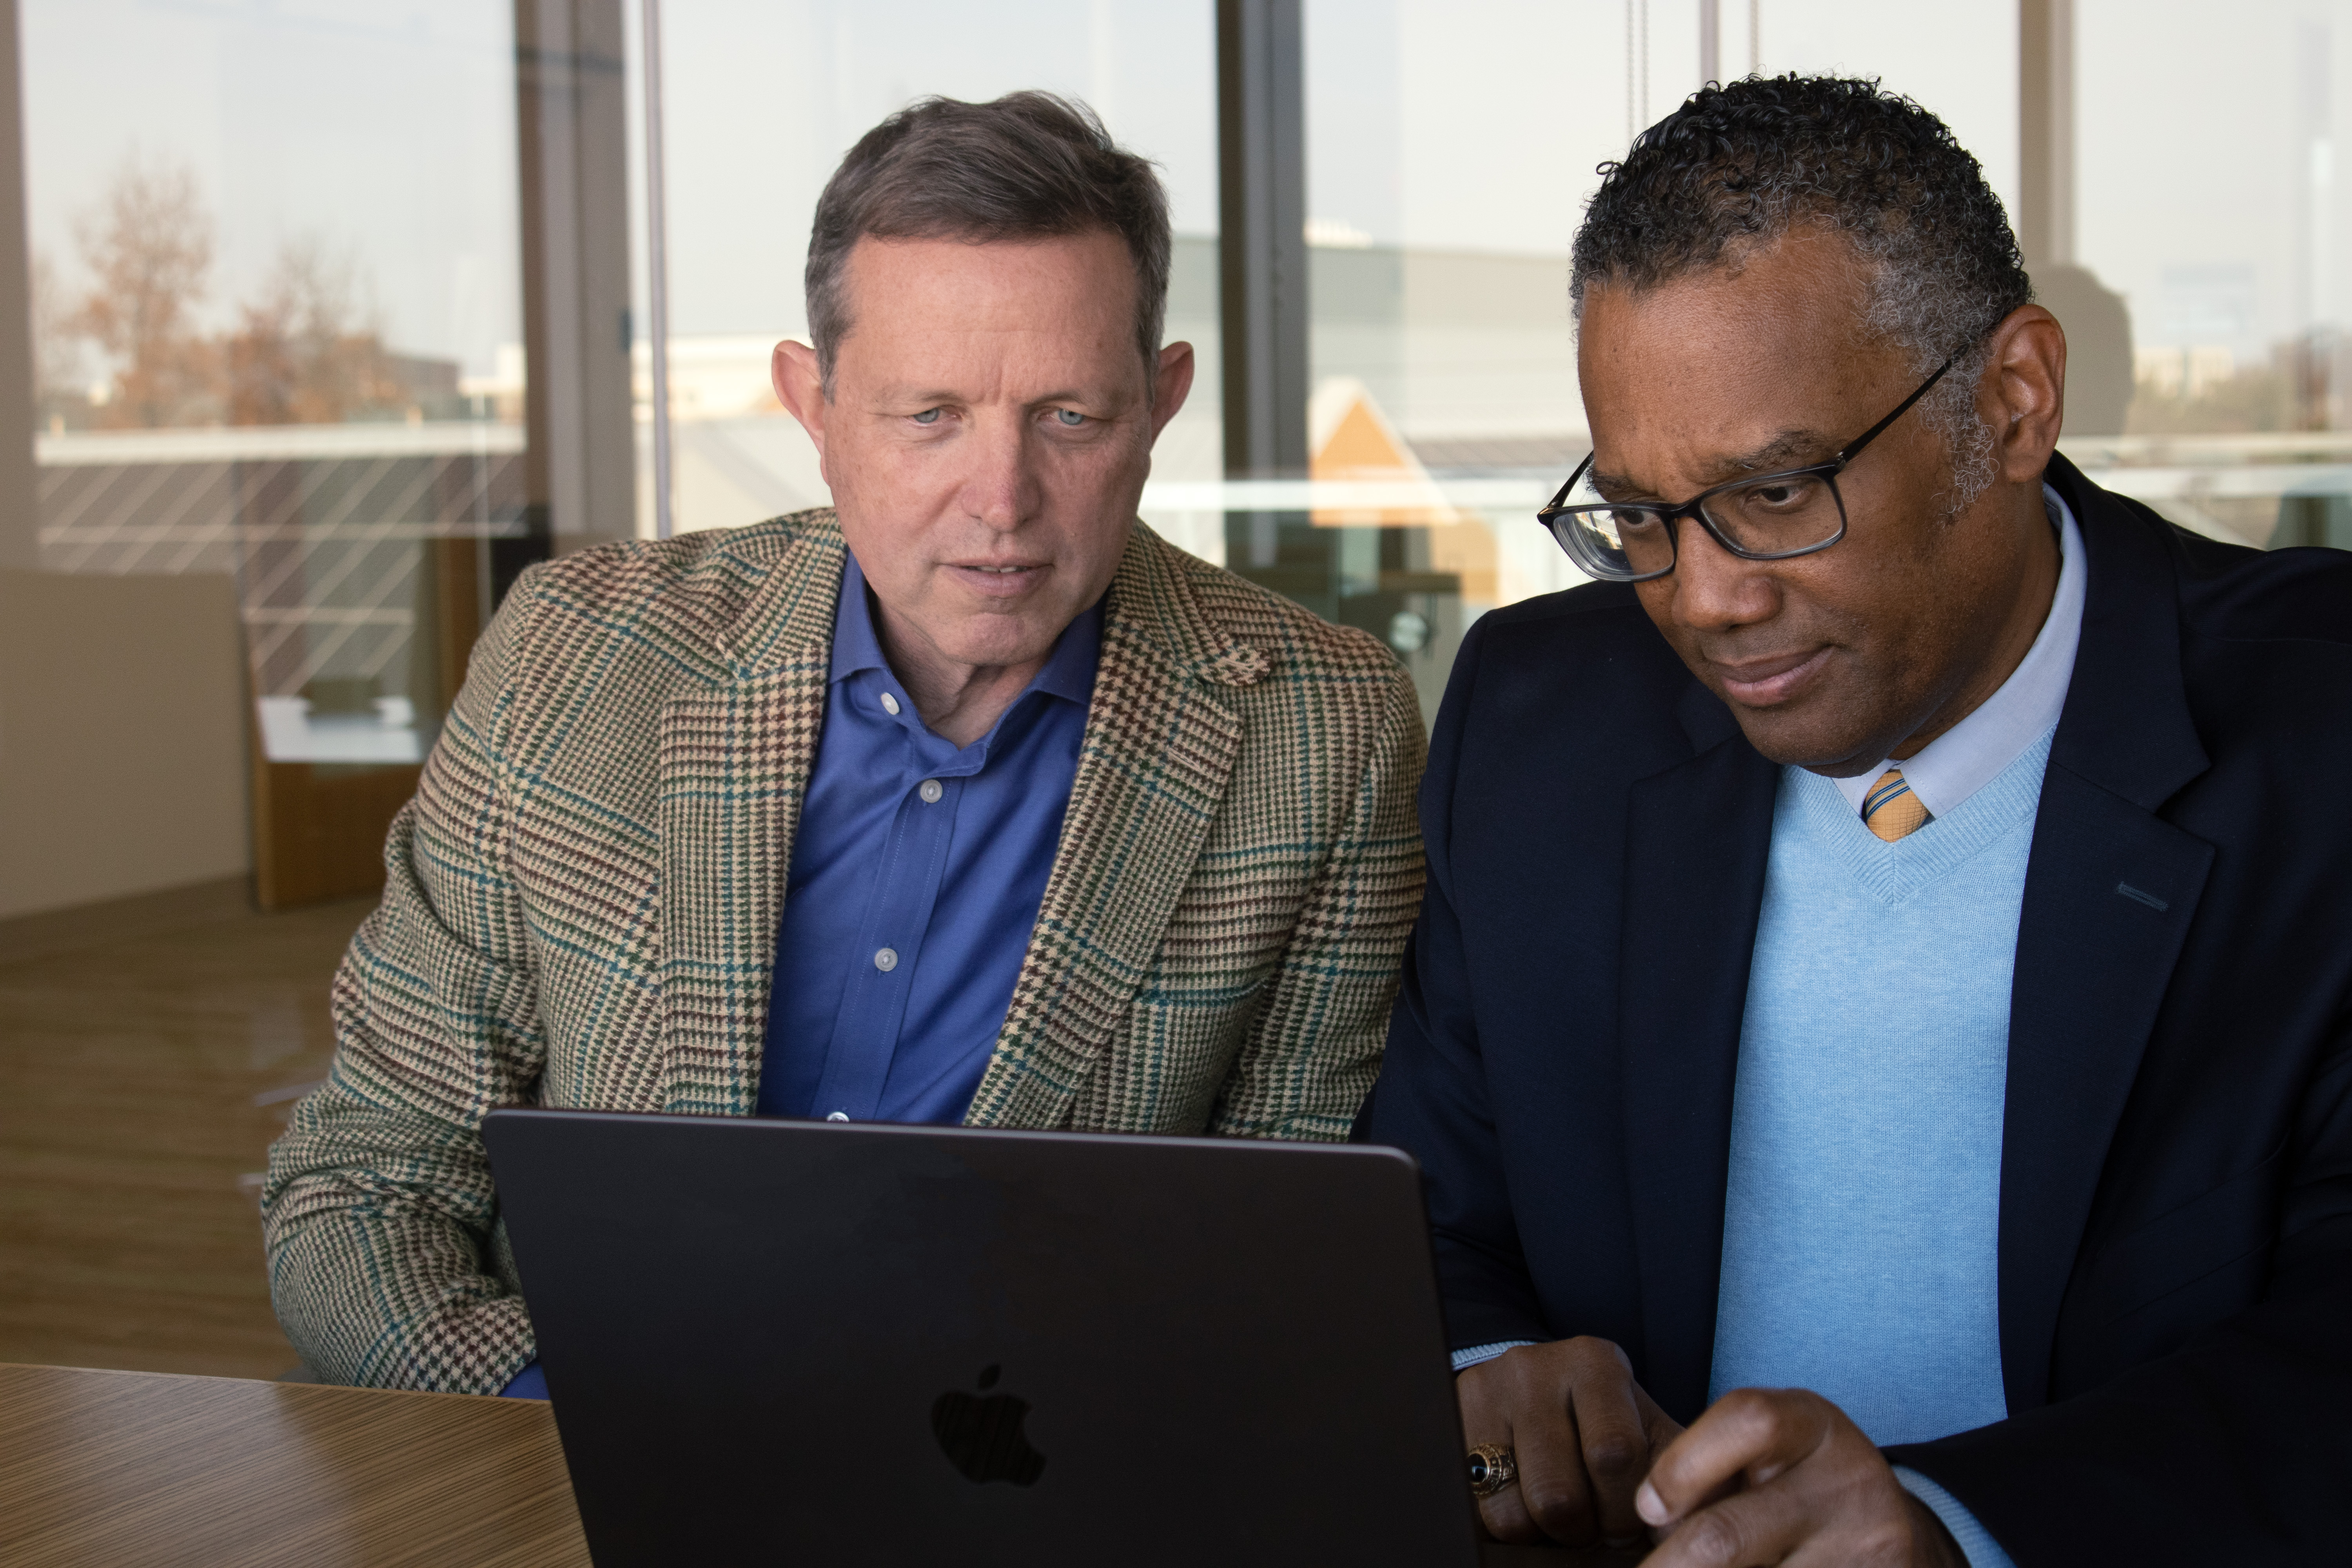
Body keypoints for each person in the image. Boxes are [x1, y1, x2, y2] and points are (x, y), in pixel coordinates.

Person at [265, 92, 1425, 1396]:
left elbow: (1276, 1254)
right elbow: (366, 1180)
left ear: (1158, 405)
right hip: (577, 1444)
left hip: (1031, 1458)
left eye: (1070, 417)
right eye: (929, 415)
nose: (1002, 502)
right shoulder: (574, 656)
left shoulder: (1322, 731)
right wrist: (589, 1426)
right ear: (811, 406)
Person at [1362, 75, 2352, 1566]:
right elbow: (1430, 1219)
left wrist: (1956, 1527)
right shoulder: (1542, 719)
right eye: (1639, 515)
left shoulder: (2323, 741)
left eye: (1775, 492)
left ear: (2013, 401)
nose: (1705, 600)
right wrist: (1490, 1374)